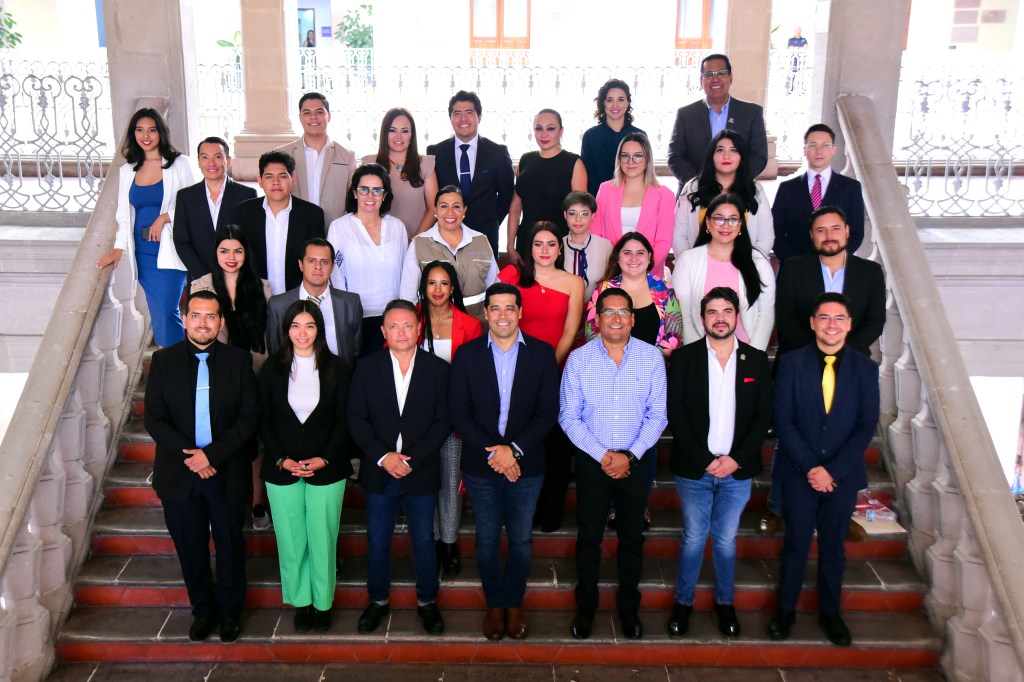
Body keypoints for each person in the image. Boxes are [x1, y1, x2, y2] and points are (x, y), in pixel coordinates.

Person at [759, 205, 884, 538]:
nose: (829, 236)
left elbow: (875, 321)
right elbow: (785, 318)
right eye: (821, 230)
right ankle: (777, 507)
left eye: (835, 228)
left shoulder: (870, 272)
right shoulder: (794, 269)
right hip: (799, 367)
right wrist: (813, 355)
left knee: (845, 436)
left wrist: (842, 354)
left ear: (847, 232)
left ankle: (842, 511)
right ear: (811, 236)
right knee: (790, 438)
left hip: (851, 369)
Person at [143, 289, 258, 643]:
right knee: (190, 547)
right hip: (180, 476)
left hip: (227, 472)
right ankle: (203, 610)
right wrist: (193, 456)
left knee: (230, 545)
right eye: (196, 315)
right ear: (185, 319)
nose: (203, 323)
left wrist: (212, 456)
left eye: (211, 316)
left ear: (221, 322)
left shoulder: (239, 361)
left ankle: (230, 612)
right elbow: (155, 419)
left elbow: (248, 417)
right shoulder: (164, 361)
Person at [767, 293, 880, 648]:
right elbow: (783, 420)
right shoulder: (791, 363)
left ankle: (830, 613)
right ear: (813, 323)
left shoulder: (865, 369)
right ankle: (785, 610)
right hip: (799, 473)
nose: (832, 325)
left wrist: (832, 470)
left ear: (849, 325)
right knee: (795, 543)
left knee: (833, 547)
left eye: (839, 318)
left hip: (841, 477)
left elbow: (866, 425)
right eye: (825, 318)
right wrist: (811, 467)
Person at [448, 282, 559, 641]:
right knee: (486, 538)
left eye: (509, 307)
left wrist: (515, 450)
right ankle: (495, 604)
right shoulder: (467, 355)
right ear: (485, 313)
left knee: (522, 538)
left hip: (527, 465)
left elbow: (548, 412)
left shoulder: (542, 354)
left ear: (520, 312)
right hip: (481, 465)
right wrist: (497, 452)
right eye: (495, 308)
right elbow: (459, 413)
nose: (502, 315)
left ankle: (514, 602)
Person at [560, 288, 668, 641]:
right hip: (594, 462)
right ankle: (586, 608)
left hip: (636, 461)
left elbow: (658, 416)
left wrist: (630, 456)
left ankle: (629, 609)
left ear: (633, 319)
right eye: (609, 312)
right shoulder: (579, 360)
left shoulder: (651, 359)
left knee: (632, 537)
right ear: (597, 319)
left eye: (623, 312)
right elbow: (569, 416)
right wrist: (603, 455)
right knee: (588, 538)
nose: (616, 318)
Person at [666, 287, 772, 639]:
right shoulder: (685, 359)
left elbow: (763, 417)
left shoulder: (756, 360)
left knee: (725, 540)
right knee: (694, 537)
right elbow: (676, 414)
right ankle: (683, 603)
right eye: (712, 312)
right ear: (702, 318)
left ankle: (725, 603)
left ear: (737, 316)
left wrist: (735, 460)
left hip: (737, 471)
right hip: (695, 469)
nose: (720, 318)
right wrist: (705, 460)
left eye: (727, 311)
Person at [348, 300, 451, 635]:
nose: (401, 332)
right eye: (393, 326)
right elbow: (356, 418)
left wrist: (412, 459)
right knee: (378, 540)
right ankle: (377, 600)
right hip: (379, 471)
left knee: (423, 539)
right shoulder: (366, 367)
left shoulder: (438, 369)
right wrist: (384, 456)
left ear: (419, 328)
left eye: (408, 325)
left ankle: (427, 601)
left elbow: (443, 421)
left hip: (421, 470)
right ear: (383, 331)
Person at [258, 299, 351, 634]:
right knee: (291, 538)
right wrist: (281, 459)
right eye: (295, 326)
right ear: (286, 330)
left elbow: (344, 419)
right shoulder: (272, 368)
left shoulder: (337, 367)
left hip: (327, 467)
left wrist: (324, 457)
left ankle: (323, 602)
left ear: (319, 330)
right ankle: (301, 600)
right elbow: (263, 419)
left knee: (322, 537)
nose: (302, 333)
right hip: (282, 468)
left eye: (309, 326)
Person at [498, 222, 584, 531]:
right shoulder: (512, 276)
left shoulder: (574, 282)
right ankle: (520, 514)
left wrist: (548, 370)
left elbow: (570, 331)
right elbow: (499, 320)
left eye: (551, 244)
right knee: (521, 441)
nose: (544, 250)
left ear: (560, 249)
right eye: (538, 244)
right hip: (514, 373)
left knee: (556, 448)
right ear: (529, 248)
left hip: (558, 373)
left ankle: (550, 515)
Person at [190, 224, 273, 531]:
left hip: (256, 370)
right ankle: (225, 502)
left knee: (257, 440)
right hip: (218, 376)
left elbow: (269, 336)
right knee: (224, 435)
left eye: (238, 250)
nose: (231, 257)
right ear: (215, 252)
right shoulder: (202, 284)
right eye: (224, 250)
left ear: (246, 253)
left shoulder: (262, 286)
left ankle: (258, 502)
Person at [98, 107, 194, 347]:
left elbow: (195, 205)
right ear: (133, 134)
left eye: (152, 130)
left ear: (161, 132)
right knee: (158, 311)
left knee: (166, 309)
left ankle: (174, 359)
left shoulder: (180, 164)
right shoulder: (127, 170)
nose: (146, 136)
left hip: (170, 249)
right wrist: (118, 248)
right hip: (143, 252)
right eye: (140, 130)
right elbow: (124, 214)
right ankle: (172, 359)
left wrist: (165, 217)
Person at [414, 260, 484, 575]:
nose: (438, 289)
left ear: (453, 287)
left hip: (454, 418)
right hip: (417, 419)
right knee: (424, 482)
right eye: (432, 283)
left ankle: (449, 542)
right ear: (423, 287)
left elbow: (472, 377)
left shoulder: (469, 325)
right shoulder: (411, 320)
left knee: (450, 482)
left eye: (444, 283)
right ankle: (429, 540)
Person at [672, 193, 775, 351]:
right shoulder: (687, 261)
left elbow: (766, 314)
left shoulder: (758, 262)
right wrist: (698, 354)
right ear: (708, 222)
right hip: (699, 350)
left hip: (747, 350)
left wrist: (753, 355)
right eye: (719, 218)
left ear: (740, 225)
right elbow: (683, 315)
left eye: (733, 219)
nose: (726, 225)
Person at [326, 163, 407, 357]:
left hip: (392, 319)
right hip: (354, 319)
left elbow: (406, 273)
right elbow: (334, 274)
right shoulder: (339, 227)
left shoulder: (397, 227)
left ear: (384, 195)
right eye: (364, 189)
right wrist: (346, 314)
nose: (370, 196)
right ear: (355, 193)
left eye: (377, 190)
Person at [426, 90, 515, 257]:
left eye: (469, 112)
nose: (463, 119)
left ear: (479, 117)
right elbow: (432, 197)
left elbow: (507, 195)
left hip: (485, 235)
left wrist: (491, 220)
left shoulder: (497, 153)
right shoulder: (435, 152)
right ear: (450, 118)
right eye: (457, 113)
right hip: (445, 235)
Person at [667, 53, 769, 186]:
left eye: (721, 73)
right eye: (709, 75)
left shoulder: (751, 113)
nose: (715, 79)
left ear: (730, 77)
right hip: (694, 191)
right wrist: (700, 184)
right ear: (701, 82)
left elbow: (759, 156)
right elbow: (675, 157)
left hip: (738, 191)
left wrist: (732, 183)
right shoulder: (686, 115)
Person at [400, 185, 499, 319]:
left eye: (456, 206)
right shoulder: (418, 244)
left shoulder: (481, 241)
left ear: (464, 210)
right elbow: (407, 295)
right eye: (444, 206)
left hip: (477, 323)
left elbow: (495, 288)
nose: (450, 212)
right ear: (435, 210)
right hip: (435, 324)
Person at [266, 238, 363, 374]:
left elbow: (355, 350)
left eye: (324, 262)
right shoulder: (278, 305)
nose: (318, 266)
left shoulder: (351, 303)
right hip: (293, 377)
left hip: (340, 378)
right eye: (312, 261)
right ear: (301, 265)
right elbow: (275, 349)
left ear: (332, 267)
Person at [772, 124, 866, 262]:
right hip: (794, 268)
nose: (819, 151)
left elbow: (856, 233)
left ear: (834, 149)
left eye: (825, 145)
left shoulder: (851, 187)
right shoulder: (787, 188)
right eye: (813, 145)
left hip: (836, 267)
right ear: (805, 150)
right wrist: (797, 264)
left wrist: (833, 260)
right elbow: (775, 233)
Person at [674, 129, 774, 258]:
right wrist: (689, 263)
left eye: (734, 150)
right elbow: (679, 236)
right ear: (711, 156)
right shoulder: (692, 188)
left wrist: (749, 264)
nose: (726, 156)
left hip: (744, 264)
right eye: (720, 150)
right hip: (698, 264)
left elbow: (766, 237)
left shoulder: (755, 190)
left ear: (742, 156)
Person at [237, 151, 325, 295]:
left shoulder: (312, 214)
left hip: (298, 297)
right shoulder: (244, 212)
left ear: (293, 178)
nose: (276, 182)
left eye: (282, 176)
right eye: (269, 177)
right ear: (260, 180)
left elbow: (317, 260)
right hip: (255, 297)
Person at [506, 108, 587, 265]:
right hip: (526, 241)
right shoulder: (525, 160)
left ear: (561, 131)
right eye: (539, 129)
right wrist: (510, 245)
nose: (544, 134)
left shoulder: (574, 163)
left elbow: (580, 213)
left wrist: (576, 247)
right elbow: (515, 207)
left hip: (559, 244)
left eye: (550, 129)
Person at [173, 136, 257, 282]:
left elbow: (250, 240)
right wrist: (203, 277)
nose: (211, 163)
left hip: (238, 280)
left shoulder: (246, 194)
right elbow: (181, 241)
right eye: (205, 157)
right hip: (200, 280)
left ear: (228, 161)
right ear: (199, 162)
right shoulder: (185, 197)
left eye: (217, 157)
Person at [586, 232, 683, 357]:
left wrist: (647, 361)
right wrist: (616, 359)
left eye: (640, 253)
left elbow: (674, 334)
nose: (633, 258)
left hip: (653, 364)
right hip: (608, 363)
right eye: (627, 253)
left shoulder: (665, 290)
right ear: (618, 257)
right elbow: (591, 332)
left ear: (649, 257)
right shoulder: (603, 289)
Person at [591, 132, 674, 275]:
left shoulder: (665, 195)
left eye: (638, 156)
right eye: (625, 156)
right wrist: (612, 268)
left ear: (647, 158)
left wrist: (640, 271)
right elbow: (595, 234)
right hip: (609, 271)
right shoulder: (605, 189)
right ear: (619, 159)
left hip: (648, 273)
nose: (631, 161)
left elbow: (663, 242)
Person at [275, 92, 357, 227]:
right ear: (300, 118)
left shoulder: (347, 157)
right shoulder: (282, 155)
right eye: (307, 113)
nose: (313, 117)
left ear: (329, 116)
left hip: (332, 230)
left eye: (319, 112)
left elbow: (354, 201)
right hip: (293, 230)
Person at [363, 107, 439, 238]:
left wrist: (414, 241)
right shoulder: (369, 163)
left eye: (404, 131)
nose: (398, 136)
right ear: (384, 134)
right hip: (377, 241)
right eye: (392, 130)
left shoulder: (426, 164)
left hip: (418, 240)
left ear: (412, 135)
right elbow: (361, 207)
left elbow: (433, 208)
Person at [580, 79, 644, 197]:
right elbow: (585, 176)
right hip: (598, 200)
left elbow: (644, 173)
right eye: (609, 100)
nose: (615, 105)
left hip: (633, 200)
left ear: (628, 103)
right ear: (603, 103)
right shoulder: (591, 136)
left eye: (621, 99)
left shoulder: (639, 135)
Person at [562, 191, 612, 302]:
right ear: (565, 215)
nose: (578, 219)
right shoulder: (558, 245)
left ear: (592, 216)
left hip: (596, 308)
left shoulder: (605, 246)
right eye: (572, 213)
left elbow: (612, 281)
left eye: (584, 214)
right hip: (563, 308)